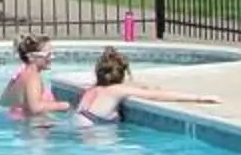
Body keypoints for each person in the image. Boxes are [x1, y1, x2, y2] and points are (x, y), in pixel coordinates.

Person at [74, 46, 222, 124]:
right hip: (96, 133)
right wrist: (199, 98)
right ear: (122, 74)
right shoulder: (117, 90)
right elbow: (158, 96)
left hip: (80, 122)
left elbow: (129, 86)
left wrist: (141, 86)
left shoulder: (93, 89)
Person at [0, 35, 66, 119]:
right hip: (33, 127)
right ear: (31, 57)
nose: (52, 57)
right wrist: (64, 106)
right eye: (48, 55)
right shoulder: (33, 77)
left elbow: (4, 102)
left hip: (22, 125)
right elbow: (35, 108)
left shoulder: (21, 73)